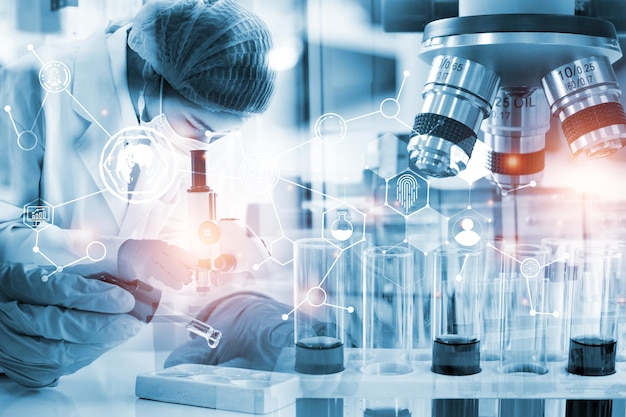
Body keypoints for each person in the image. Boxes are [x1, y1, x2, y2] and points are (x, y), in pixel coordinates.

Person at [0, 0, 276, 387]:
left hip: (117, 373)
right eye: (196, 127)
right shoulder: (32, 83)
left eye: (219, 137)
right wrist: (123, 254)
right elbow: (3, 232)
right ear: (151, 72)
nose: (204, 148)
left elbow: (178, 251)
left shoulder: (187, 116)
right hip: (19, 362)